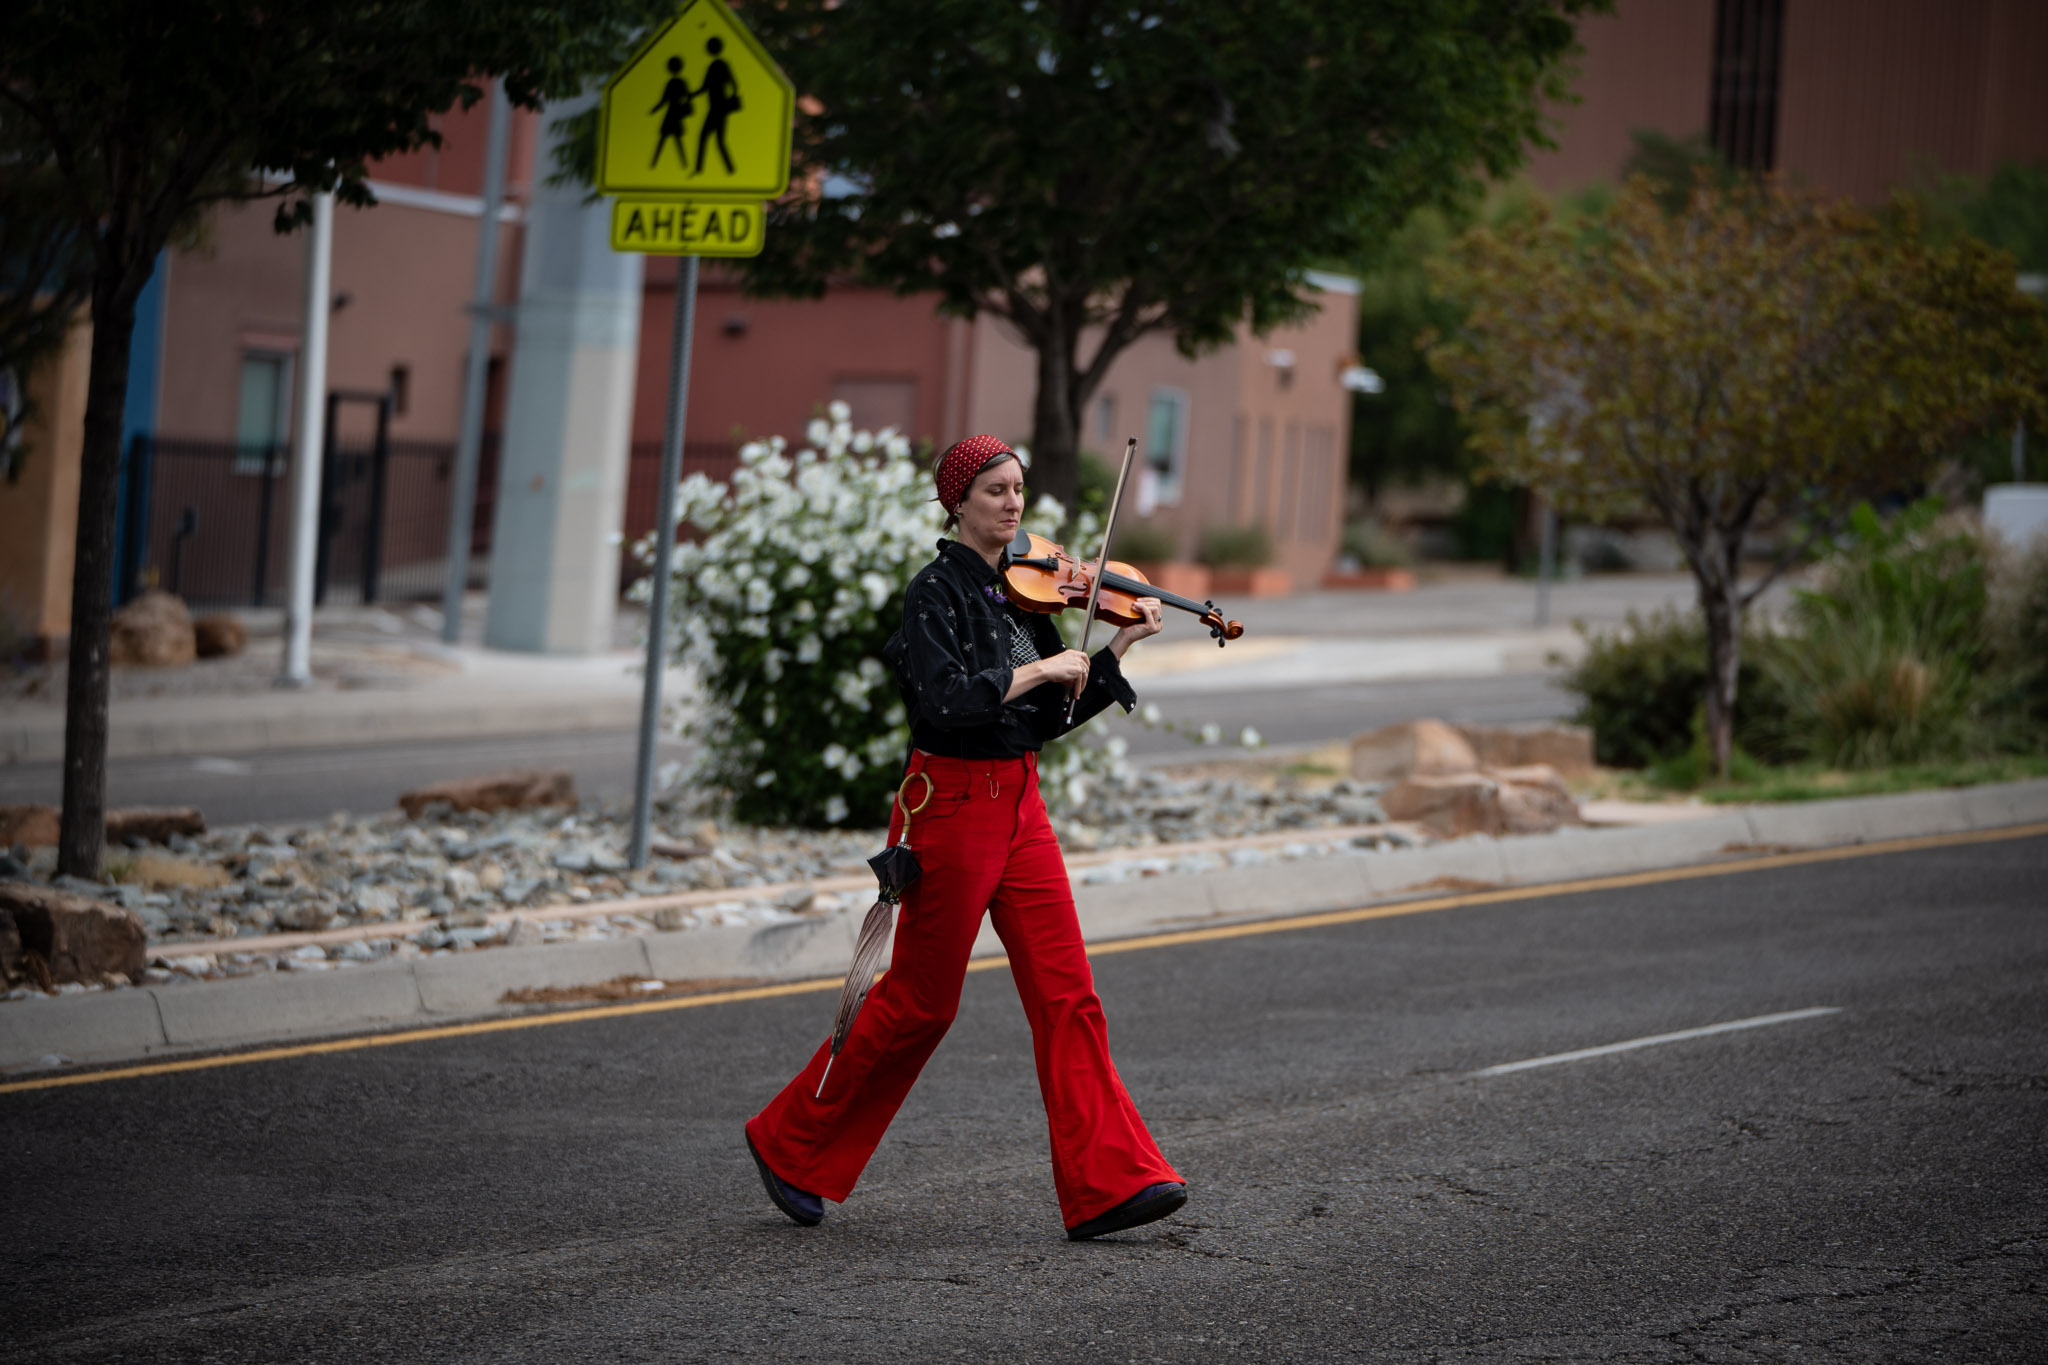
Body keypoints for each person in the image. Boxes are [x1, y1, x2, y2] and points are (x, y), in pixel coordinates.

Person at [745, 434, 1188, 1241]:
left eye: (1019, 489)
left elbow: (1047, 718)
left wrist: (1114, 647)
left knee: (1068, 993)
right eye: (995, 490)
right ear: (957, 502)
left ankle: (1111, 1184)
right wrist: (1041, 670)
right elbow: (947, 704)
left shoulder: (1027, 599)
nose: (1013, 504)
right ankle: (789, 1143)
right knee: (921, 1004)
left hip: (1022, 807)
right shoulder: (934, 595)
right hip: (948, 808)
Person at [694, 37, 741, 176]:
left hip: (717, 108)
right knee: (717, 140)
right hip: (718, 107)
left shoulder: (717, 65)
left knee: (707, 138)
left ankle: (700, 169)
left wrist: (729, 98)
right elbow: (706, 87)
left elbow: (706, 87)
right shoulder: (718, 65)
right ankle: (729, 169)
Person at [649, 55, 693, 171]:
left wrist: (655, 109)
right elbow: (686, 97)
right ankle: (654, 164)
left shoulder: (674, 83)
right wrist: (655, 109)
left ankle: (655, 164)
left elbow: (664, 100)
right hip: (674, 114)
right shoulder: (679, 82)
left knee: (669, 140)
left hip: (673, 114)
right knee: (668, 139)